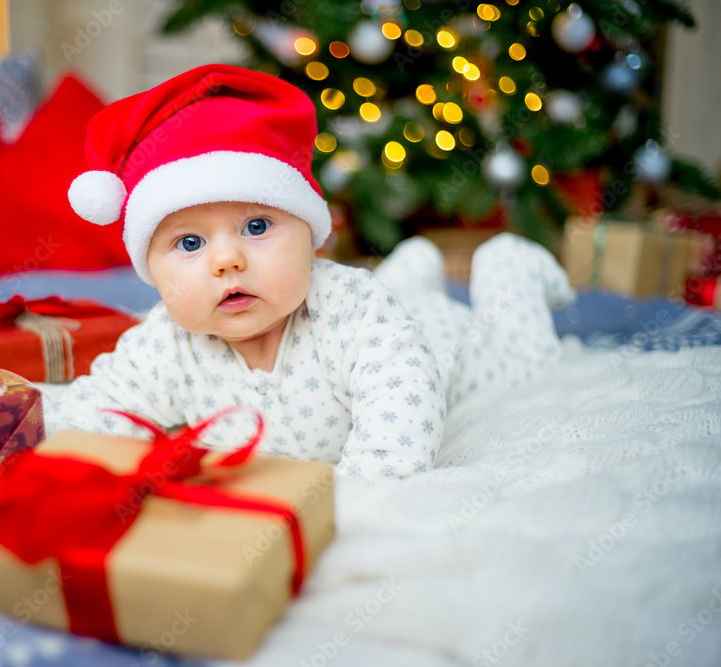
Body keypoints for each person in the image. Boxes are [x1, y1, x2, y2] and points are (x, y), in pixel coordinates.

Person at [51, 63, 572, 482]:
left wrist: (355, 496)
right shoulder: (165, 344)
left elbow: (398, 430)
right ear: (151, 270)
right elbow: (94, 411)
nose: (226, 260)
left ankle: (511, 270)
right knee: (401, 295)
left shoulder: (350, 308)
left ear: (312, 235)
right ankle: (412, 274)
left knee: (522, 364)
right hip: (391, 307)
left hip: (445, 346)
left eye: (257, 226)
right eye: (190, 243)